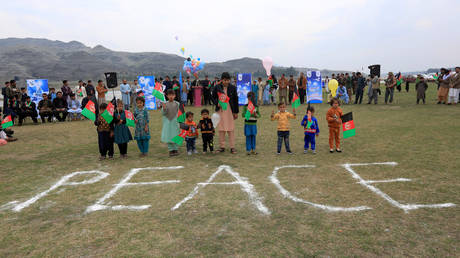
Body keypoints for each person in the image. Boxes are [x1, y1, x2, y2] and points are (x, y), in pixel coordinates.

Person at [212, 72, 239, 154]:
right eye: (224, 80)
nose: (226, 82)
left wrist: (235, 112)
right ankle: (222, 147)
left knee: (231, 129)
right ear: (221, 80)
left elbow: (235, 100)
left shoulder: (233, 88)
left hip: (230, 110)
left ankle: (232, 147)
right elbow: (212, 97)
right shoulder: (217, 87)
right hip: (220, 110)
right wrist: (217, 103)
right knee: (221, 129)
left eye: (228, 80)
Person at [160, 90, 180, 157]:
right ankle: (171, 149)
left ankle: (176, 149)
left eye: (172, 95)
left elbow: (180, 113)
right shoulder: (165, 103)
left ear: (175, 96)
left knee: (175, 135)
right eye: (169, 95)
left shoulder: (177, 104)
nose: (171, 96)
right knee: (168, 136)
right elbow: (163, 113)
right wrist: (164, 108)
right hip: (167, 123)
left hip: (175, 122)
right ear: (167, 96)